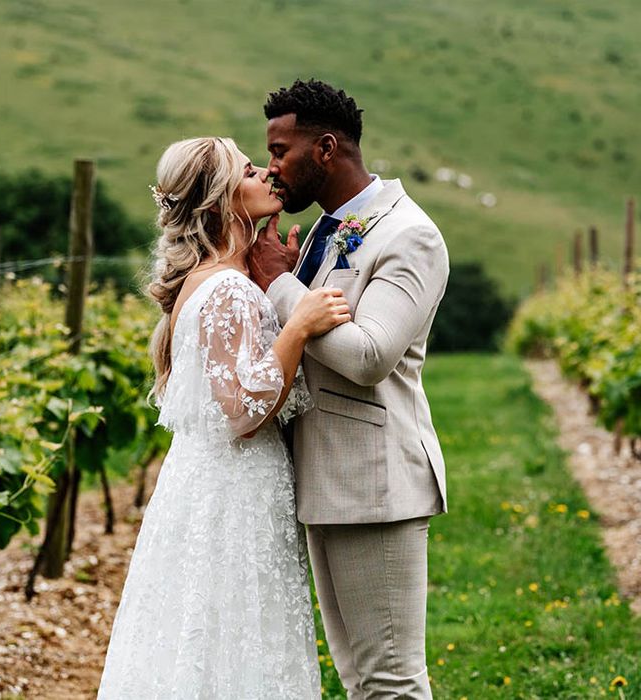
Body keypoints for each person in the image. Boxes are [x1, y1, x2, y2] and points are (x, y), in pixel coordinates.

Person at [97, 136, 350, 699]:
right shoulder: (227, 289)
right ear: (219, 200)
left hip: (209, 480)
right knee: (235, 633)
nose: (267, 175)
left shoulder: (217, 279)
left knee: (211, 634)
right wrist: (298, 325)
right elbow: (243, 411)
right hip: (234, 489)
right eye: (249, 170)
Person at [247, 79, 450, 699]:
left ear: (327, 148)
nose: (273, 168)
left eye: (281, 151)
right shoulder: (321, 232)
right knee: (360, 678)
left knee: (390, 681)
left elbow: (369, 356)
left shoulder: (408, 235)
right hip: (325, 480)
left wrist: (281, 288)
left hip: (375, 484)